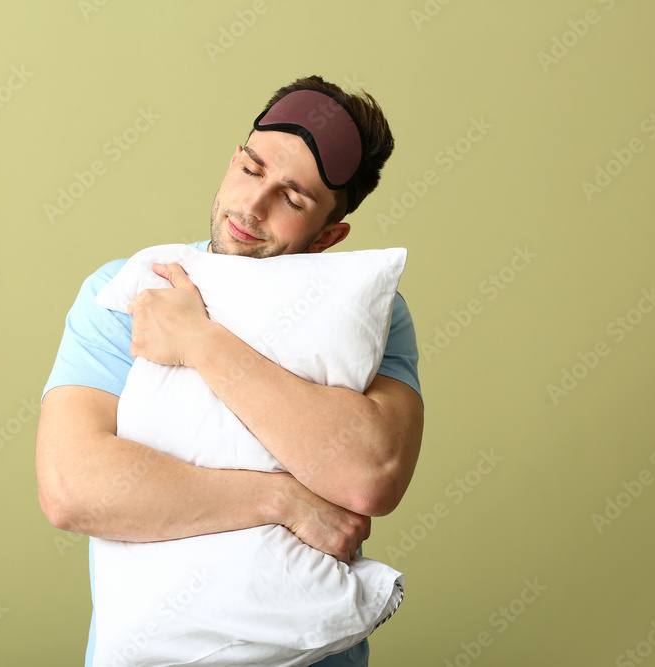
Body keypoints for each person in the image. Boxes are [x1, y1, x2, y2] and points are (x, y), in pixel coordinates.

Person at [35, 75, 424, 666]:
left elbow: (370, 473)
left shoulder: (367, 312)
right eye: (251, 168)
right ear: (232, 159)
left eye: (293, 200)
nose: (253, 205)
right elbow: (73, 488)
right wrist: (283, 501)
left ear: (329, 237)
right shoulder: (131, 288)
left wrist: (198, 341)